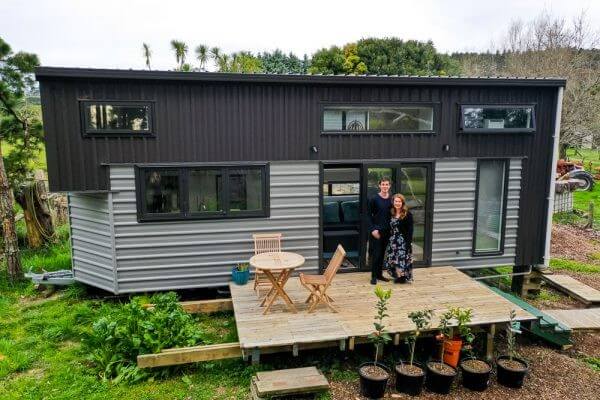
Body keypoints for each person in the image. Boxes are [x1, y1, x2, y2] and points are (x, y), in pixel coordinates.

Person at [368, 177, 393, 285]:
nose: (385, 186)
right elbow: (368, 216)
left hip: (387, 231)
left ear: (389, 186)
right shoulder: (374, 199)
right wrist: (373, 229)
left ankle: (379, 274)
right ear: (379, 185)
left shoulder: (392, 199)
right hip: (377, 231)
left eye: (387, 184)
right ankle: (373, 276)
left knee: (383, 253)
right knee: (376, 254)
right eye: (383, 184)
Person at [384, 193, 414, 283]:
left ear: (402, 203)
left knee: (401, 259)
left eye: (399, 201)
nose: (397, 203)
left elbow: (410, 230)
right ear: (393, 202)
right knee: (394, 259)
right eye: (396, 201)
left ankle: (402, 277)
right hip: (393, 240)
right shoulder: (392, 213)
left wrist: (408, 243)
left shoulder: (407, 214)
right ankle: (397, 275)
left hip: (402, 241)